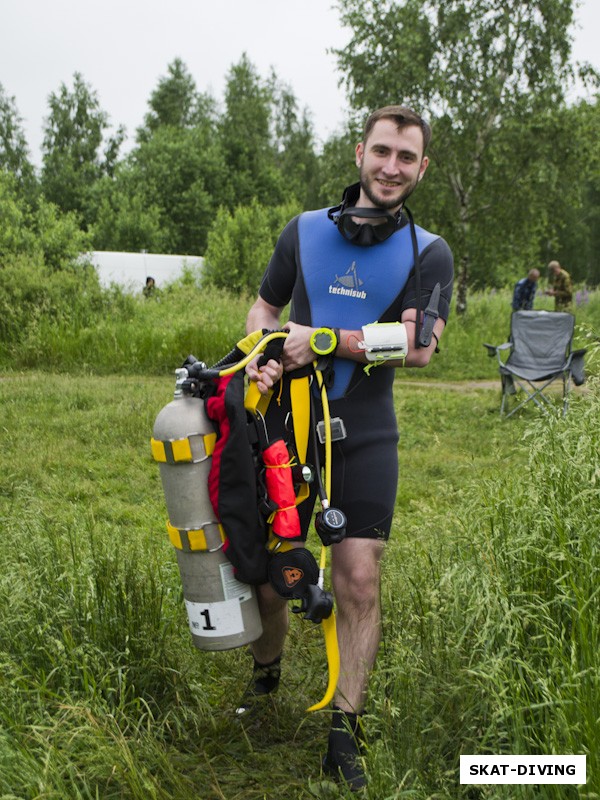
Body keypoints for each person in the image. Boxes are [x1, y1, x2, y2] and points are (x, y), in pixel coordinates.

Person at [241, 105, 454, 791]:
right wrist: (260, 354)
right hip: (286, 428)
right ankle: (267, 670)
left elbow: (420, 348)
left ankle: (345, 731)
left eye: (406, 158)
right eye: (382, 151)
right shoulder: (301, 232)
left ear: (422, 169)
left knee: (359, 578)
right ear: (360, 152)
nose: (392, 167)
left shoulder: (429, 251)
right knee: (271, 578)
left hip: (364, 434)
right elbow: (264, 309)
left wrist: (330, 340)